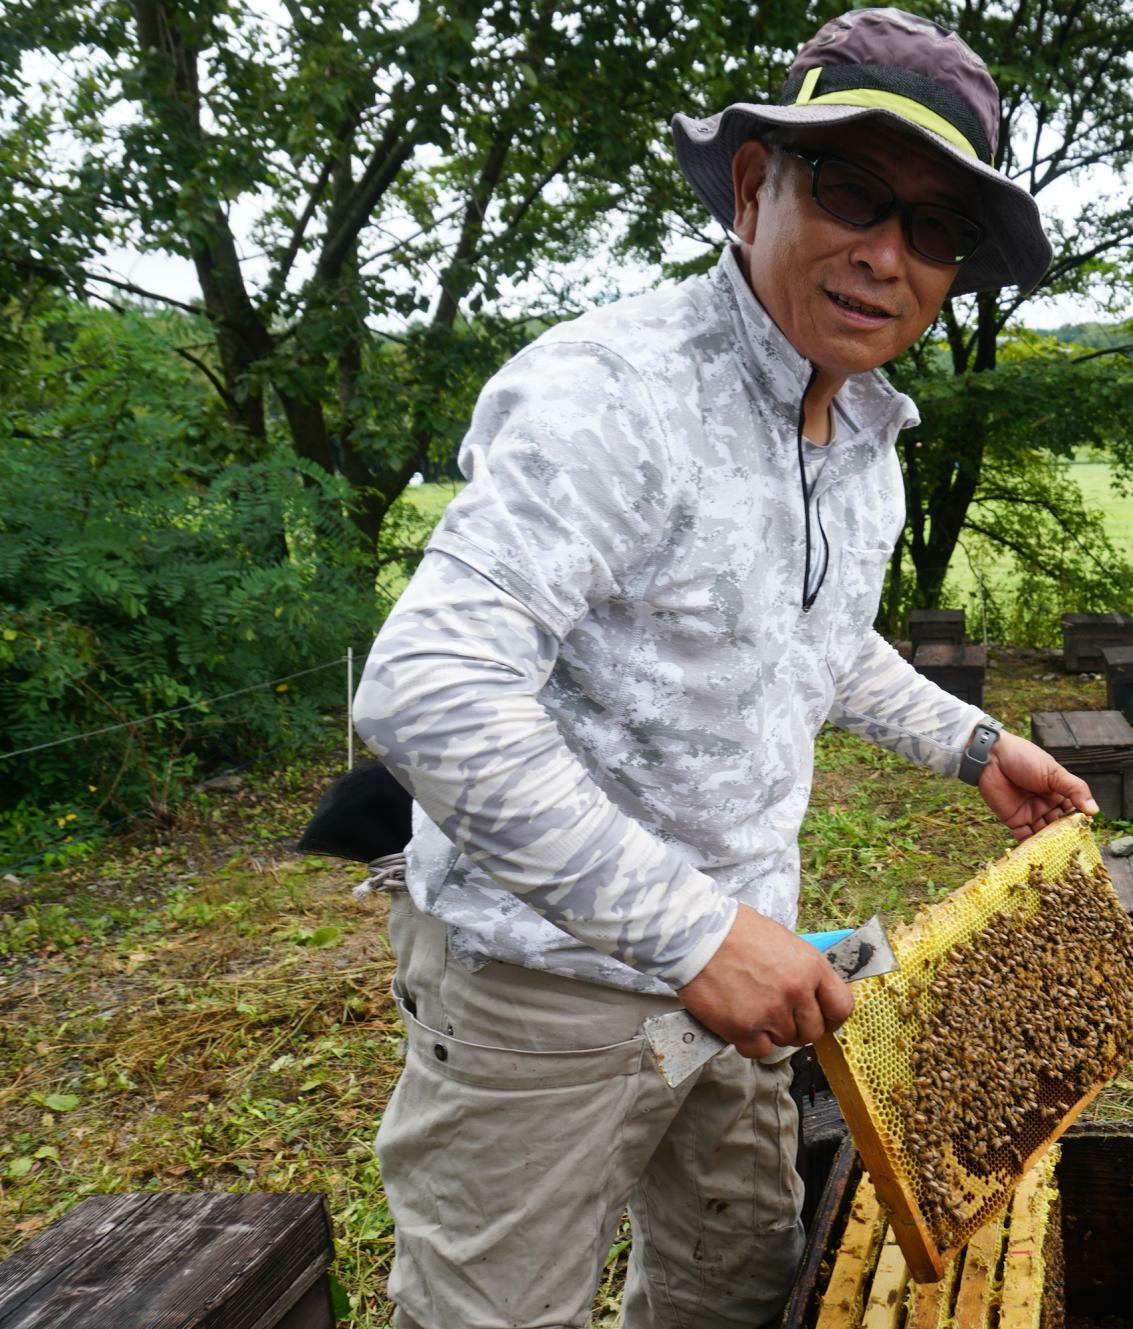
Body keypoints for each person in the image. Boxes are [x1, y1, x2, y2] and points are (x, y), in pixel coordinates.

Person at [350, 9, 1095, 1326]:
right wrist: (695, 931)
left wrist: (974, 745)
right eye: (855, 189)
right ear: (758, 184)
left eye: (933, 228)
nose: (886, 253)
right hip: (544, 993)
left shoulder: (854, 421)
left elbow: (805, 643)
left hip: (750, 977)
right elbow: (428, 689)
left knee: (728, 1287)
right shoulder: (611, 393)